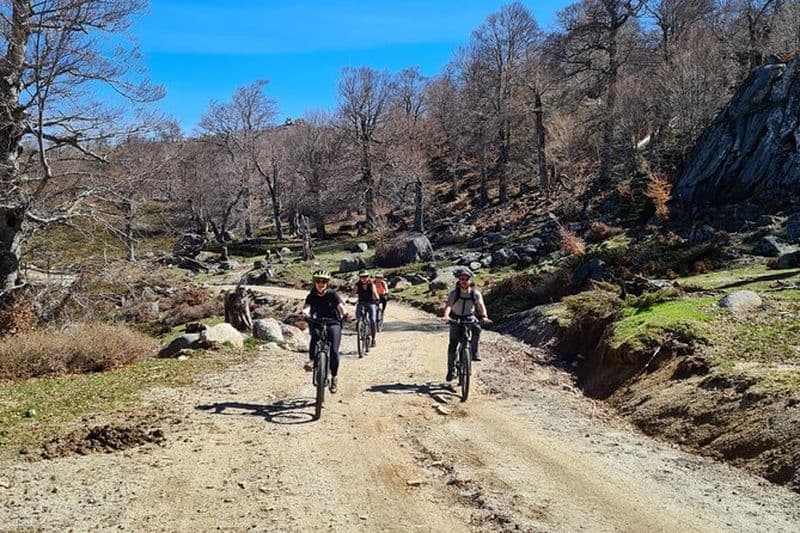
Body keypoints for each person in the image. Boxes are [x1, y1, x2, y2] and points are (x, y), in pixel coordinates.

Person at [441, 268, 492, 382]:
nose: (464, 281)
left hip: (469, 317)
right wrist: (446, 316)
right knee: (453, 344)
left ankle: (474, 352)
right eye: (461, 279)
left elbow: (480, 305)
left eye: (466, 279)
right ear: (458, 280)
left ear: (470, 280)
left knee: (477, 329)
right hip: (455, 317)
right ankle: (451, 370)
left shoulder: (475, 293)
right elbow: (449, 305)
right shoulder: (454, 293)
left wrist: (484, 316)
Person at [302, 270, 346, 393]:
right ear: (314, 282)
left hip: (333, 322)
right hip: (318, 321)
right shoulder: (312, 295)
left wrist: (345, 314)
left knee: (334, 351)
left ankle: (334, 377)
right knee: (315, 336)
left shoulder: (332, 294)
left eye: (324, 281)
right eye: (318, 281)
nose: (321, 283)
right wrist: (305, 313)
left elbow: (340, 306)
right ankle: (311, 360)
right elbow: (307, 307)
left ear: (327, 283)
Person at [350, 270, 379, 348]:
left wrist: (377, 298)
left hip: (371, 303)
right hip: (361, 302)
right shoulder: (358, 284)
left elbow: (374, 292)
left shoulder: (371, 284)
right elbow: (353, 292)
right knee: (358, 317)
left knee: (372, 319)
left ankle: (373, 339)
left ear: (368, 277)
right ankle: (360, 329)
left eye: (366, 276)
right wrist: (350, 297)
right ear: (360, 278)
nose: (364, 278)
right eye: (362, 277)